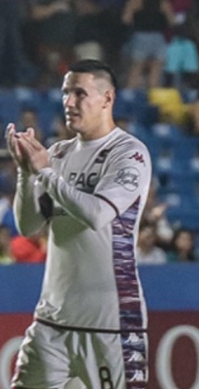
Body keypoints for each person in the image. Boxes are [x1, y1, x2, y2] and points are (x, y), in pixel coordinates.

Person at [9, 59, 153, 387]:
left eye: (79, 93)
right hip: (52, 321)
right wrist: (25, 173)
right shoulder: (58, 153)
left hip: (112, 322)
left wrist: (45, 172)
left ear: (107, 98)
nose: (69, 102)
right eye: (65, 93)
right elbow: (28, 226)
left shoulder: (129, 153)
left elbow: (97, 214)